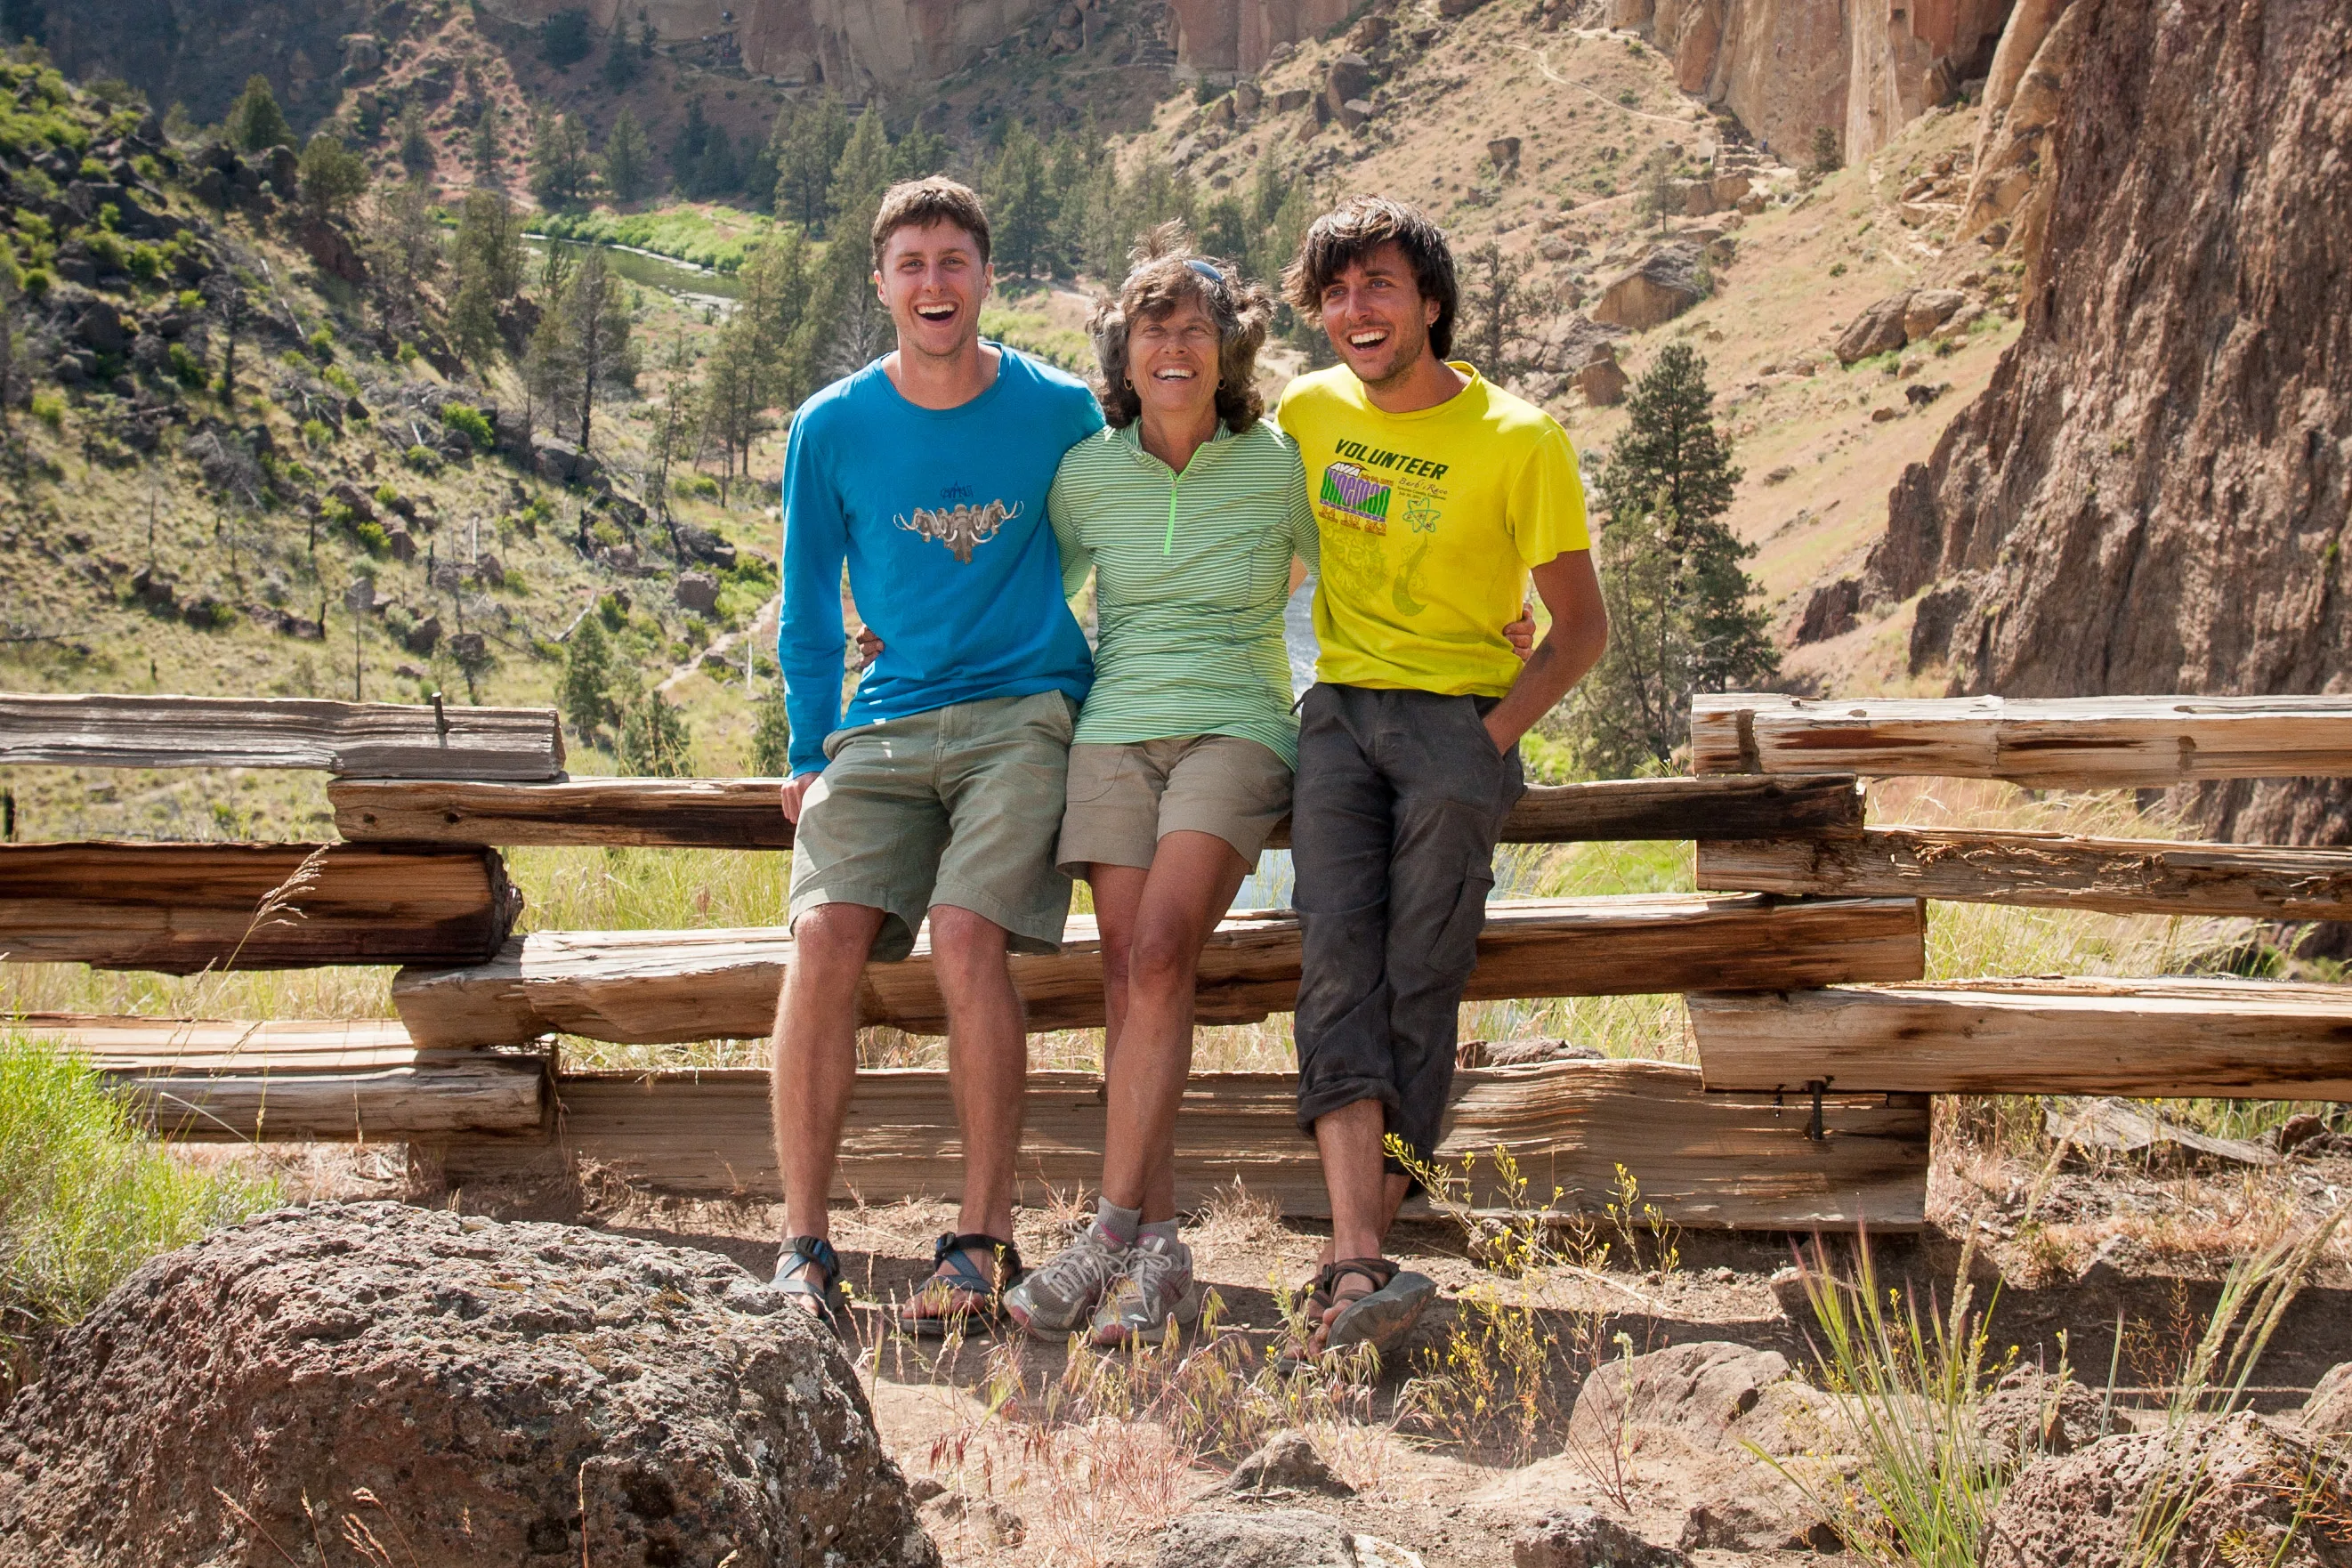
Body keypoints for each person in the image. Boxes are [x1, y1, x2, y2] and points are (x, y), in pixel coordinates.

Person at [1275, 195, 1609, 1362]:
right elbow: (1242, 543)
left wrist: (1490, 737)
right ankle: (1358, 1257)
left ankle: (1365, 1245)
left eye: (1378, 285)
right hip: (1338, 715)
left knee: (1422, 970)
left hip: (1456, 723)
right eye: (1335, 292)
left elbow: (1579, 628)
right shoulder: (1306, 412)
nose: (1354, 310)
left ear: (1428, 302)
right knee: (1334, 959)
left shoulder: (1519, 439)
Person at [769, 176, 1103, 1337]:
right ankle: (803, 1246)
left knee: (965, 933)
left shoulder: (1059, 411)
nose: (933, 283)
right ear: (880, 284)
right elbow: (807, 605)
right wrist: (805, 746)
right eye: (910, 263)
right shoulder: (832, 427)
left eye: (952, 260)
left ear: (986, 277)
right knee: (823, 933)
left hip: (1024, 711)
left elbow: (1125, 526)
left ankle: (978, 1244)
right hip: (886, 716)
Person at [998, 229, 1316, 1347]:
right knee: (1130, 981)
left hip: (1236, 726)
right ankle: (1160, 1249)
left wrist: (1493, 625)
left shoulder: (1281, 465)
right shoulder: (1087, 474)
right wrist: (899, 635)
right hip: (1113, 733)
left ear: (1229, 349)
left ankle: (1106, 1231)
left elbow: (1373, 569)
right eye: (1152, 328)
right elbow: (1028, 590)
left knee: (1164, 952)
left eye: (1194, 327)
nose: (1173, 346)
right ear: (1123, 354)